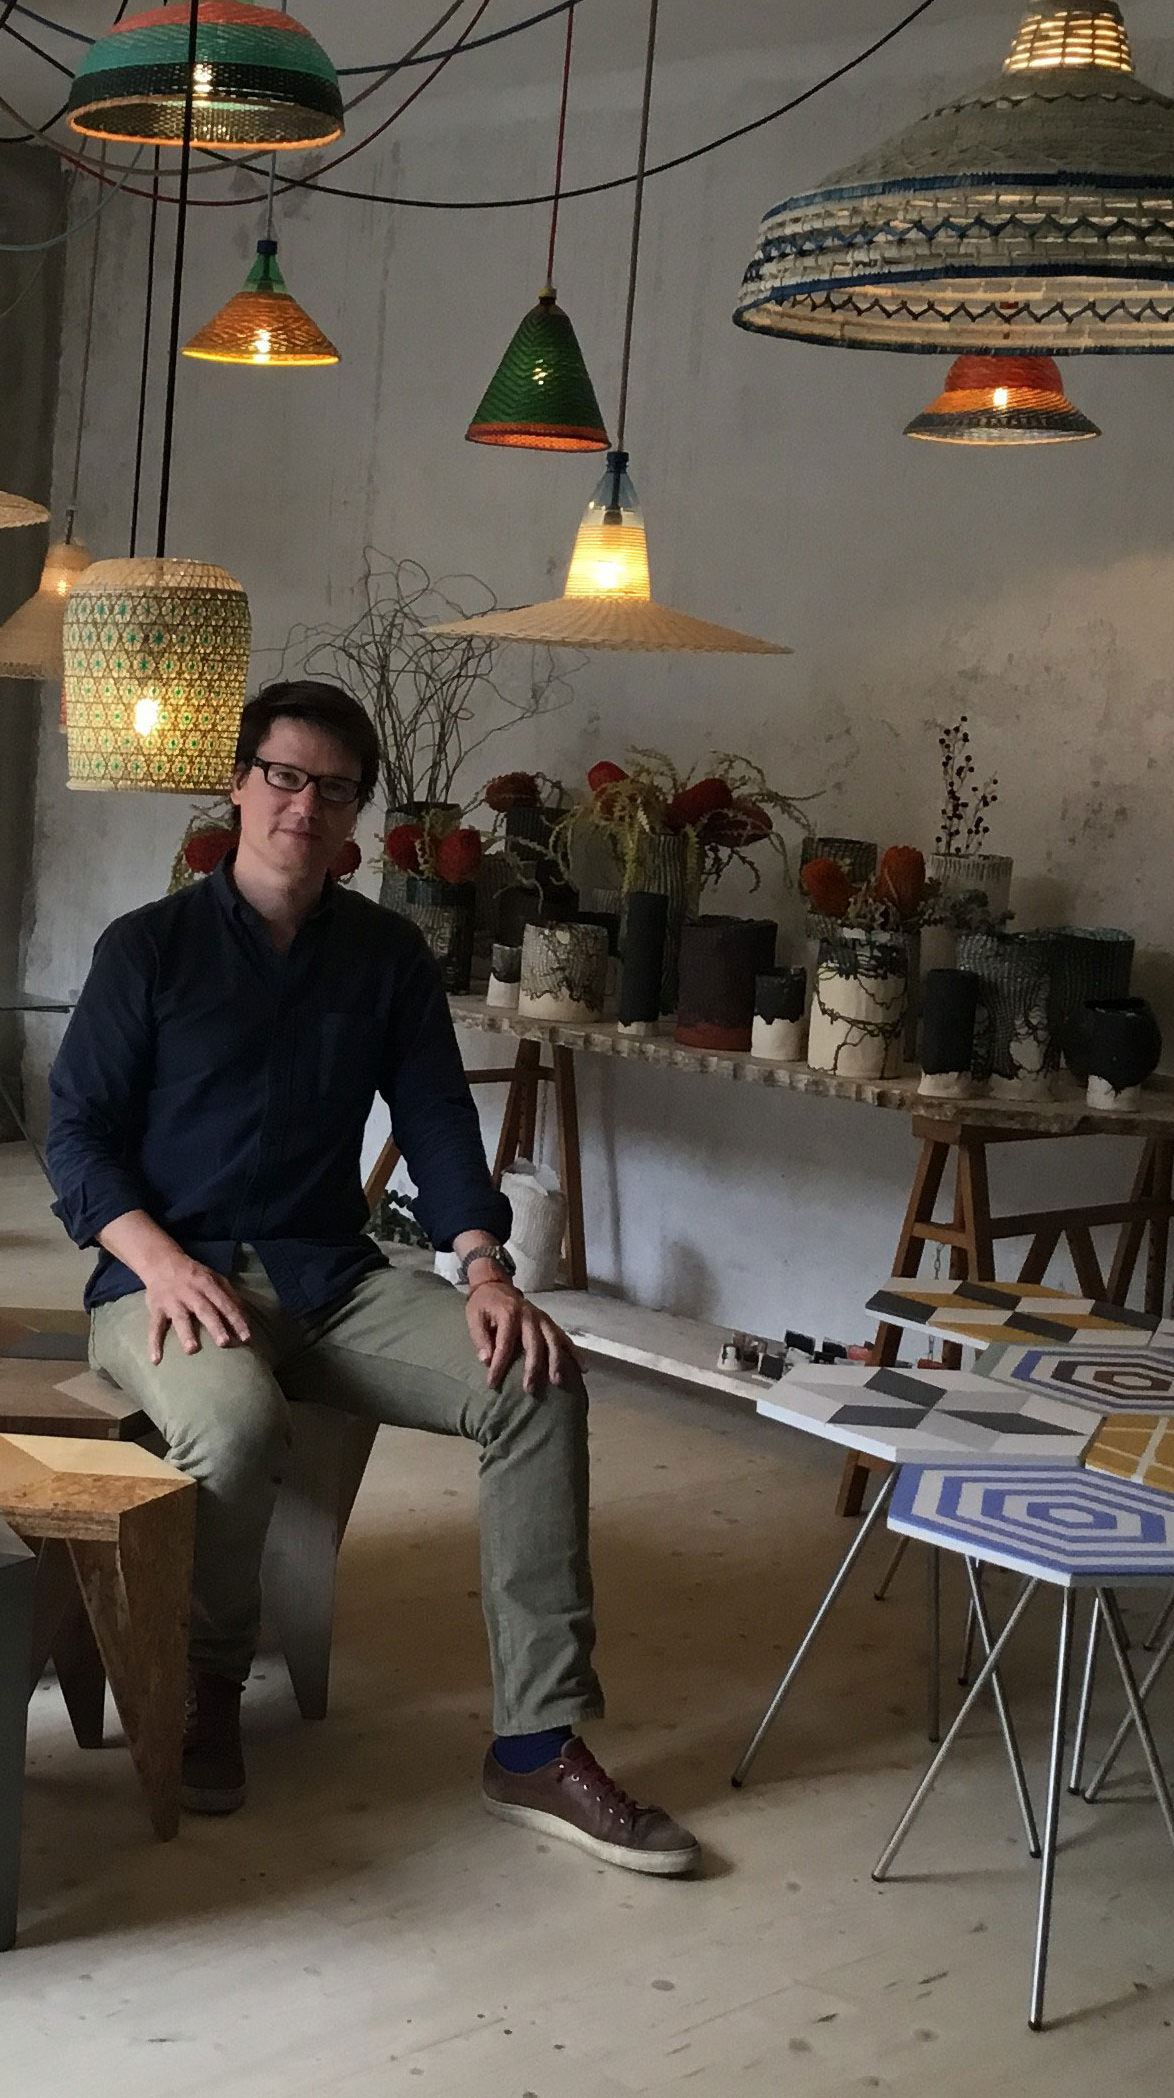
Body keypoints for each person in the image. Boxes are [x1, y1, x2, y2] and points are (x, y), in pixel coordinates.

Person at [45, 678, 699, 1876]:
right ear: (239, 787)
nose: (304, 804)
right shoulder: (149, 948)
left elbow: (442, 1123)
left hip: (327, 1273)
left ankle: (536, 1743)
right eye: (284, 777)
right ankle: (204, 1684)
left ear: (358, 820)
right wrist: (157, 1258)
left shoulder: (386, 958)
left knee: (536, 1382)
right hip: (159, 1276)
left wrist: (487, 1268)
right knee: (236, 1421)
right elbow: (76, 1137)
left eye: (333, 788)